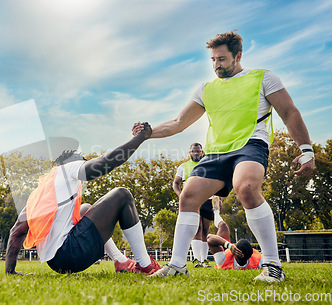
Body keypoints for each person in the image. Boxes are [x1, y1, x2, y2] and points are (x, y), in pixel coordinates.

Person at [133, 31, 315, 281]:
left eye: (222, 59)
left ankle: (273, 266)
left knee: (247, 187)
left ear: (237, 56)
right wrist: (148, 132)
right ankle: (177, 265)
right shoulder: (206, 89)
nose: (216, 65)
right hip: (217, 152)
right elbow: (178, 122)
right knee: (187, 196)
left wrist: (306, 149)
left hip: (251, 144)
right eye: (213, 60)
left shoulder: (263, 78)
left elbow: (289, 112)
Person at [5, 122, 162, 275]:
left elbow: (16, 230)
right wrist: (141, 137)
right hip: (71, 253)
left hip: (56, 263)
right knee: (122, 194)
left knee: (85, 209)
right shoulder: (68, 167)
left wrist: (10, 271)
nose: (84, 158)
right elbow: (105, 163)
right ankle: (145, 265)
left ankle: (121, 261)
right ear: (71, 158)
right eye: (80, 155)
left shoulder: (41, 190)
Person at [173, 143, 213, 268]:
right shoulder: (183, 166)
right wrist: (181, 196)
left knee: (205, 230)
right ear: (189, 152)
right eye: (194, 151)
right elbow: (175, 184)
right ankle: (197, 259)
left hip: (208, 199)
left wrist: (218, 198)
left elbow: (215, 183)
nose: (196, 153)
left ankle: (205, 260)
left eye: (198, 151)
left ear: (202, 152)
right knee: (197, 228)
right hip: (192, 200)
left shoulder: (208, 165)